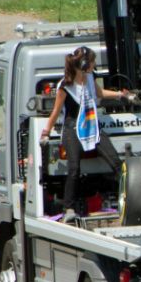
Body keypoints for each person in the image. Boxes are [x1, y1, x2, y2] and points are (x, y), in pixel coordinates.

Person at [39, 46, 129, 222]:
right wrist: (45, 133)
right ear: (84, 64)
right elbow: (56, 111)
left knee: (117, 163)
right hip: (72, 130)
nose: (94, 65)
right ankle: (69, 208)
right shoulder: (65, 86)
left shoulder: (89, 78)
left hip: (92, 127)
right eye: (93, 62)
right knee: (74, 169)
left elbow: (99, 93)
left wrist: (120, 95)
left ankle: (129, 199)